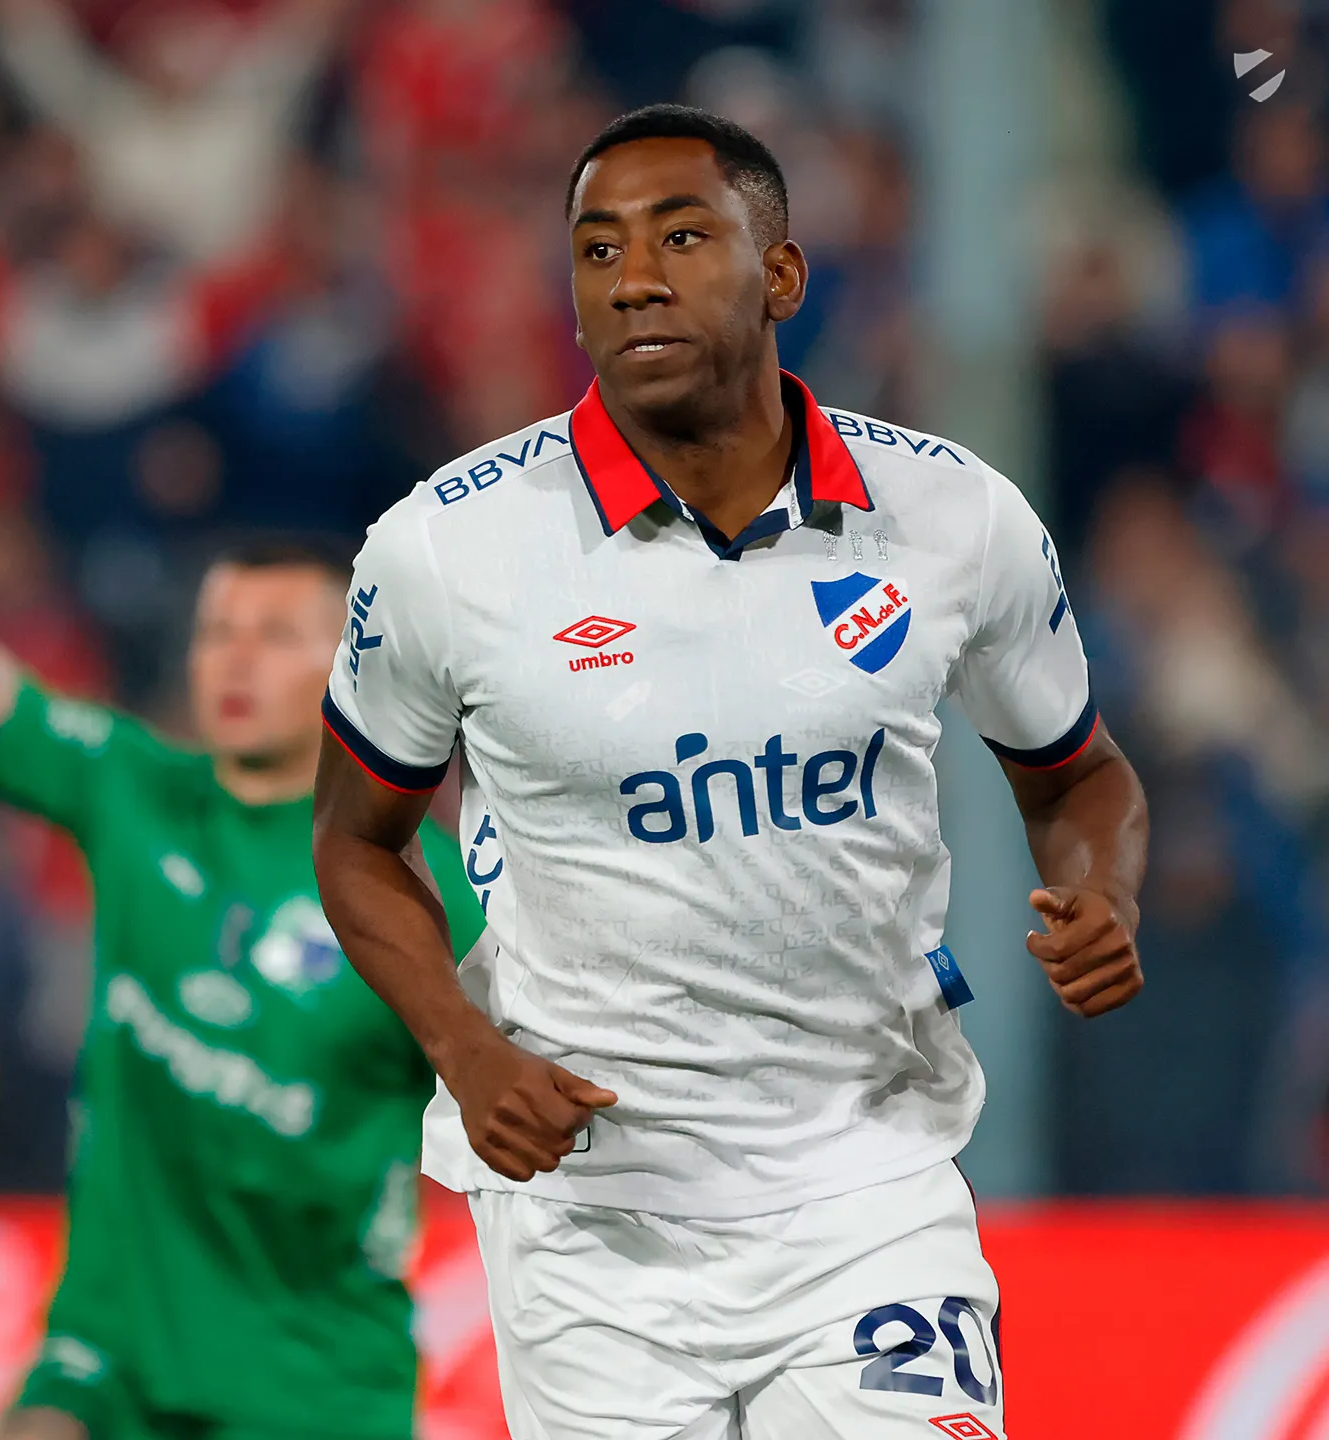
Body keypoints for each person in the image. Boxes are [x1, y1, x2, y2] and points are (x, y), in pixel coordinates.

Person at [312, 104, 1149, 1440]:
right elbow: (355, 841)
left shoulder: (955, 518)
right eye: (597, 251)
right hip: (592, 1227)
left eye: (682, 237)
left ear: (782, 275)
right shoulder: (444, 552)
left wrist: (1102, 892)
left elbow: (1079, 774)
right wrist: (464, 1053)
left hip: (869, 1190)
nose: (632, 279)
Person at [0, 201, 490, 1440]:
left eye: (274, 634)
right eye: (218, 630)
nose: (232, 657)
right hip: (104, 1362)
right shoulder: (134, 791)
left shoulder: (431, 894)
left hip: (314, 1396)